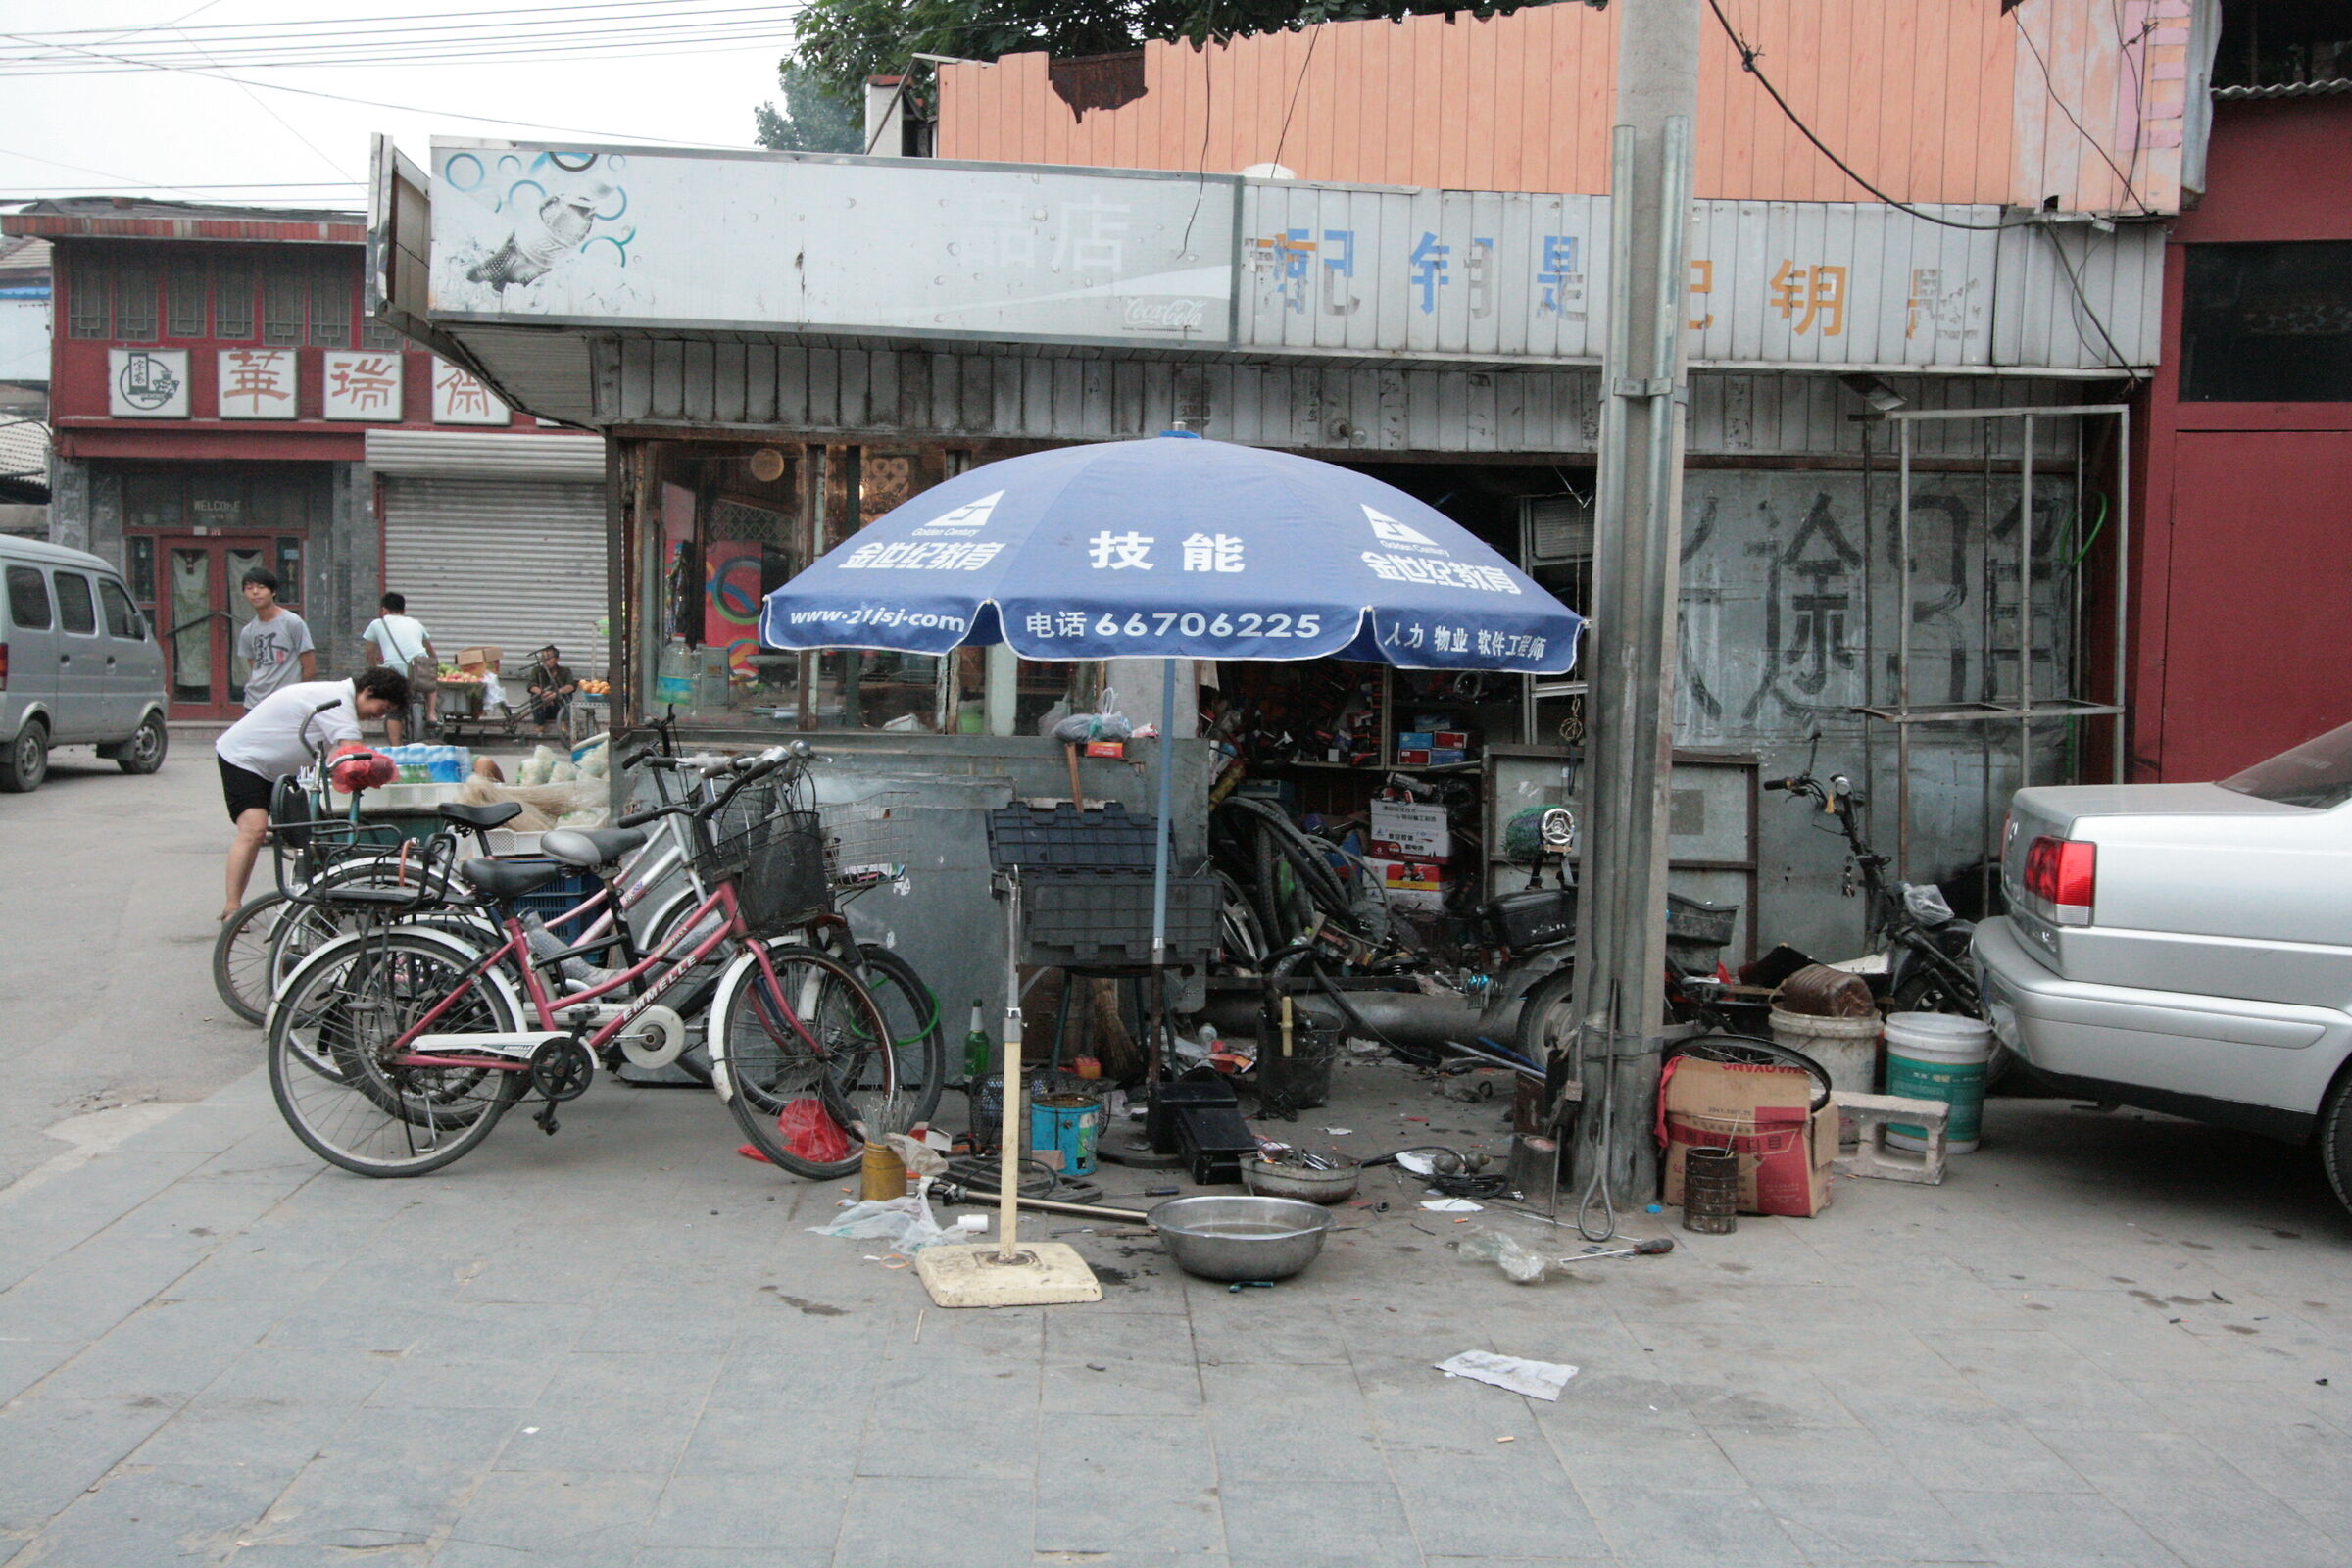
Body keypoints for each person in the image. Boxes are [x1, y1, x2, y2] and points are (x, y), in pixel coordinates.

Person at [216, 667, 409, 921]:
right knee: (253, 830)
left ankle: (315, 897)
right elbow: (353, 753)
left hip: (277, 769)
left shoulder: (337, 697)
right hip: (244, 760)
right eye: (381, 708)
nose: (379, 716)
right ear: (368, 691)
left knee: (305, 835)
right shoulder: (338, 701)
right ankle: (232, 908)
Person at [360, 591, 438, 744]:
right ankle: (431, 713)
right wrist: (435, 667)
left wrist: (374, 669)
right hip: (419, 668)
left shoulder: (377, 624)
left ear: (384, 610)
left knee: (395, 710)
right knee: (430, 682)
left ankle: (397, 749)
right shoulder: (416, 623)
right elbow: (430, 651)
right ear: (404, 610)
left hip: (394, 672)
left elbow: (370, 653)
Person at [236, 567, 315, 710]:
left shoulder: (292, 622)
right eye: (249, 588)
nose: (255, 592)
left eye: (261, 587)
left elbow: (309, 668)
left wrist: (297, 697)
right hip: (254, 703)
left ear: (273, 591)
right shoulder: (248, 631)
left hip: (286, 703)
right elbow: (255, 667)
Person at [526, 645, 576, 733]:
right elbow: (531, 685)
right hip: (543, 706)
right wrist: (542, 693)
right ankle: (540, 725)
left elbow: (571, 686)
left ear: (556, 659)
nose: (545, 661)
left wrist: (556, 694)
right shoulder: (537, 670)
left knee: (568, 695)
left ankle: (564, 723)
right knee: (535, 696)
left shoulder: (565, 671)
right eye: (543, 658)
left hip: (558, 707)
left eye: (548, 658)